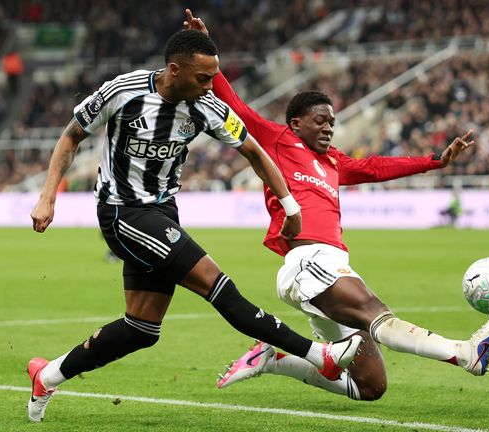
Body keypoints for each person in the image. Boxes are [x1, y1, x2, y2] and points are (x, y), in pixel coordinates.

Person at [26, 29, 363, 422]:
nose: (209, 85)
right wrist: (48, 196)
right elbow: (71, 137)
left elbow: (253, 150)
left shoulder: (206, 106)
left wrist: (289, 205)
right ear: (174, 70)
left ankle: (47, 374)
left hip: (164, 212)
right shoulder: (124, 91)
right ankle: (318, 354)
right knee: (216, 284)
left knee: (142, 328)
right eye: (203, 78)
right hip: (122, 211)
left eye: (212, 78)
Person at [183, 10, 489, 401]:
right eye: (320, 120)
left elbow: (376, 167)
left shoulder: (335, 162)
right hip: (307, 260)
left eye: (332, 122)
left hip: (330, 264)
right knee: (374, 310)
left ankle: (275, 358)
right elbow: (234, 103)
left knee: (370, 385)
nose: (328, 127)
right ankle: (464, 354)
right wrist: (206, 47)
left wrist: (434, 161)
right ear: (296, 123)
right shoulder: (278, 141)